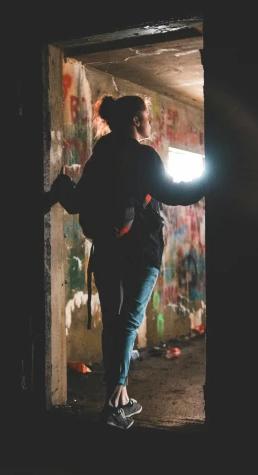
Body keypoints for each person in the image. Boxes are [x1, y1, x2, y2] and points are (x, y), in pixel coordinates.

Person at [45, 95, 208, 429]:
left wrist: (61, 186)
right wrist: (210, 180)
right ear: (136, 120)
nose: (150, 123)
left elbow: (76, 203)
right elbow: (173, 193)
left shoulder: (100, 155)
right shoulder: (144, 156)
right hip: (142, 251)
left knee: (115, 323)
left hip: (106, 250)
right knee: (129, 323)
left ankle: (119, 400)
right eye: (147, 117)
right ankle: (115, 400)